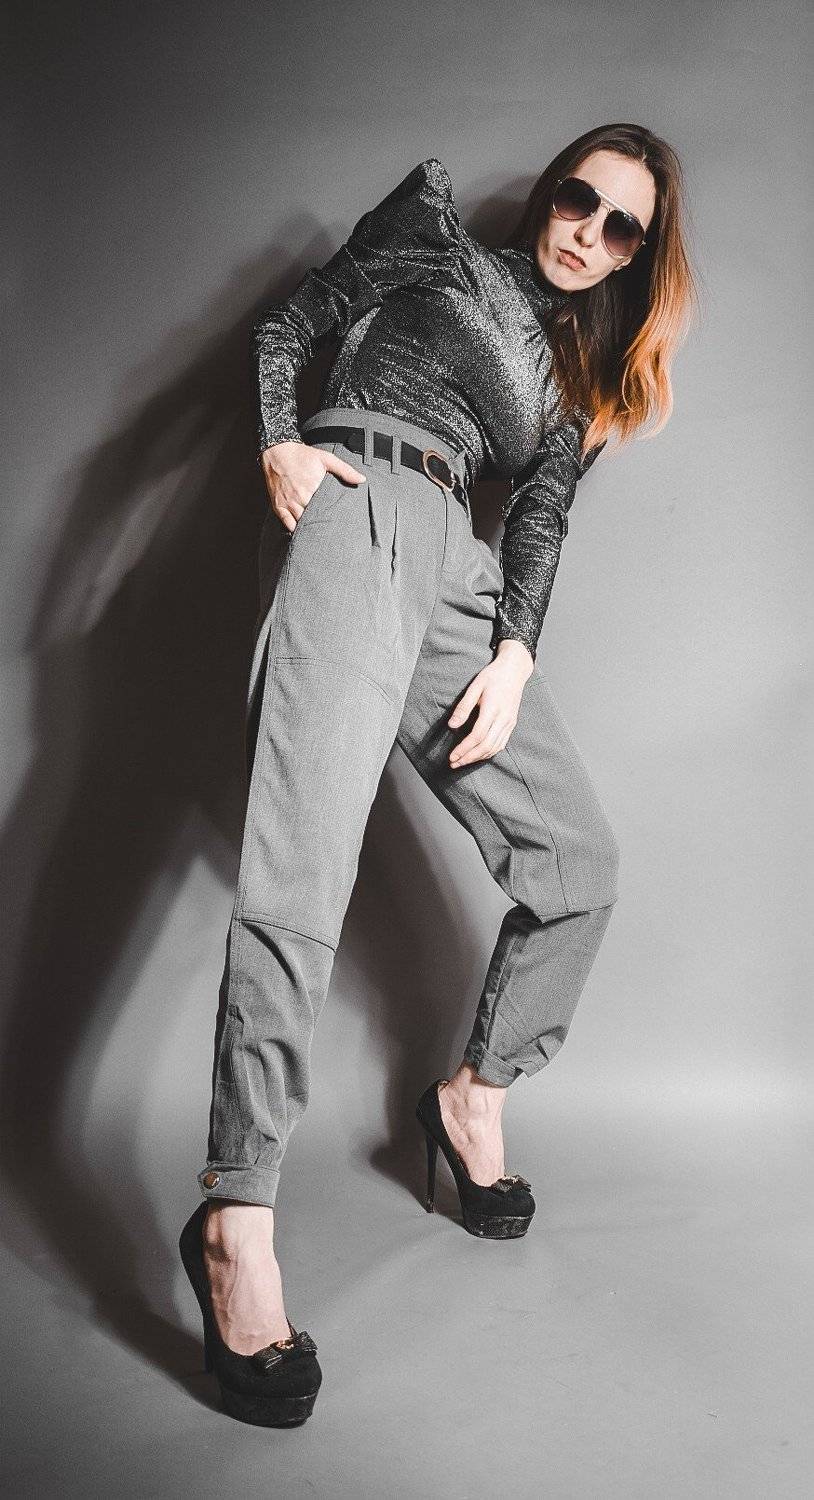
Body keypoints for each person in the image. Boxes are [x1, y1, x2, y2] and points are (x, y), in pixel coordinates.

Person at [179, 122, 697, 1426]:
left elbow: (539, 516)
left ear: (635, 258)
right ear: (550, 194)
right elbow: (292, 324)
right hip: (355, 505)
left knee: (576, 863)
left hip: (457, 572)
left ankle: (468, 1099)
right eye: (577, 197)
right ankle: (236, 1221)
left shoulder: (575, 379)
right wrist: (279, 442)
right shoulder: (433, 237)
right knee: (304, 866)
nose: (586, 230)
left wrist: (514, 650)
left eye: (620, 227)